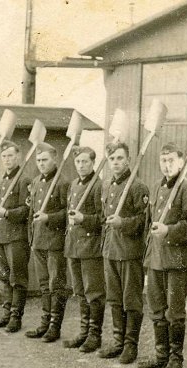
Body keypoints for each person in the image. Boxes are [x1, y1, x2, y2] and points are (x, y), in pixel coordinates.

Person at [139, 143, 187, 368]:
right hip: (156, 259)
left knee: (175, 311)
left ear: (181, 162)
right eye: (163, 160)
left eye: (171, 160)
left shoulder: (186, 189)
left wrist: (168, 230)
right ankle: (161, 355)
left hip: (176, 259)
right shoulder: (156, 187)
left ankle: (175, 358)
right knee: (156, 308)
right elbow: (148, 222)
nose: (167, 165)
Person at [97, 142, 149, 364]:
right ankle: (118, 342)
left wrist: (122, 223)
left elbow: (144, 221)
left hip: (130, 252)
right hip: (110, 250)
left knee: (131, 300)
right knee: (115, 298)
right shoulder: (107, 185)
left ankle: (130, 345)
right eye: (112, 159)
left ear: (127, 159)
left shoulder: (137, 187)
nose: (116, 162)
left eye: (119, 158)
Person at [24, 142, 69, 343]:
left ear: (54, 160)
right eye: (39, 160)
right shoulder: (35, 182)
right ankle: (45, 322)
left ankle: (55, 326)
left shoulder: (62, 183)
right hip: (39, 240)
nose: (41, 163)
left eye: (45, 160)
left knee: (55, 283)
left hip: (54, 241)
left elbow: (67, 214)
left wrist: (48, 218)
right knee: (43, 284)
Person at [63, 146, 106, 353]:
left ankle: (94, 335)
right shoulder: (73, 185)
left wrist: (84, 219)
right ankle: (84, 331)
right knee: (80, 292)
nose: (81, 165)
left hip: (91, 247)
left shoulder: (98, 186)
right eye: (78, 162)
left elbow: (103, 219)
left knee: (93, 293)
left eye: (85, 162)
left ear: (93, 163)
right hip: (74, 246)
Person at [0, 140, 31, 333]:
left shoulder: (24, 180)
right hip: (1, 235)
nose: (7, 159)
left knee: (17, 277)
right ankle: (6, 313)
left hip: (16, 237)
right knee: (3, 276)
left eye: (10, 156)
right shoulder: (2, 181)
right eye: (4, 156)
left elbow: (26, 209)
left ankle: (16, 317)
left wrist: (7, 213)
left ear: (18, 157)